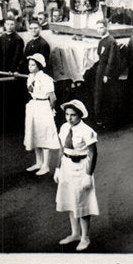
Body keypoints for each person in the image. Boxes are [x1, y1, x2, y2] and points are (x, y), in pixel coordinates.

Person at [55, 99, 98, 251]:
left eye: (73, 115)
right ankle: (75, 234)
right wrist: (58, 168)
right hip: (66, 166)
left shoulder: (87, 131)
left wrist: (88, 175)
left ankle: (85, 237)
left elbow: (93, 154)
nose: (69, 118)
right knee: (70, 201)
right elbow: (62, 149)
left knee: (83, 203)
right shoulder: (64, 127)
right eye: (67, 114)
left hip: (81, 168)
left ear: (79, 115)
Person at [23, 53, 57, 176]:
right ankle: (38, 163)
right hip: (34, 106)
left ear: (39, 66)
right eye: (29, 64)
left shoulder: (46, 79)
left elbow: (52, 97)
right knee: (35, 135)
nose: (30, 67)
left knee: (44, 136)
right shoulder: (30, 77)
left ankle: (45, 166)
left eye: (33, 65)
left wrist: (51, 110)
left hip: (43, 107)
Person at [0, 15, 26, 131]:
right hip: (2, 71)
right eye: (7, 24)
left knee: (11, 96)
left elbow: (18, 56)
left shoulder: (18, 39)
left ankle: (12, 123)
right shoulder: (2, 37)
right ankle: (1, 121)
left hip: (11, 73)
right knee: (2, 94)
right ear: (4, 25)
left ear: (15, 25)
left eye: (12, 24)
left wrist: (11, 70)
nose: (9, 26)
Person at [92, 18, 121, 129]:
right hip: (100, 71)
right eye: (98, 28)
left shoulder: (111, 41)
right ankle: (100, 120)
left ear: (106, 27)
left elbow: (111, 59)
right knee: (99, 96)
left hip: (106, 74)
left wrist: (106, 74)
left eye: (101, 27)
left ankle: (109, 122)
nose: (99, 30)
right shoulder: (101, 41)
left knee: (107, 97)